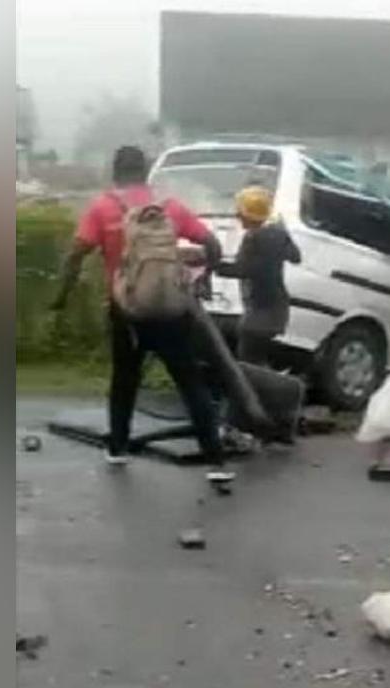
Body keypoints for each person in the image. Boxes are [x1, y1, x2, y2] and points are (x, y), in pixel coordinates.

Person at [50, 145, 235, 488]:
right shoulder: (168, 208)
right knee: (190, 382)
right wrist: (203, 277)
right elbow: (212, 243)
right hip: (170, 309)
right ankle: (216, 461)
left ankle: (118, 448)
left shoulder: (103, 208)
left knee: (124, 380)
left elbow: (75, 255)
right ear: (147, 171)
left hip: (127, 312)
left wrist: (61, 298)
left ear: (114, 171)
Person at [215, 185, 301, 365]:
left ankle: (261, 392)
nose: (237, 216)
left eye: (241, 212)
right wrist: (284, 233)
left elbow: (243, 270)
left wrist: (213, 264)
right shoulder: (277, 233)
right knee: (258, 357)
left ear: (250, 215)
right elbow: (296, 257)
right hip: (278, 310)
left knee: (249, 361)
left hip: (259, 313)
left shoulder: (253, 238)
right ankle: (266, 390)